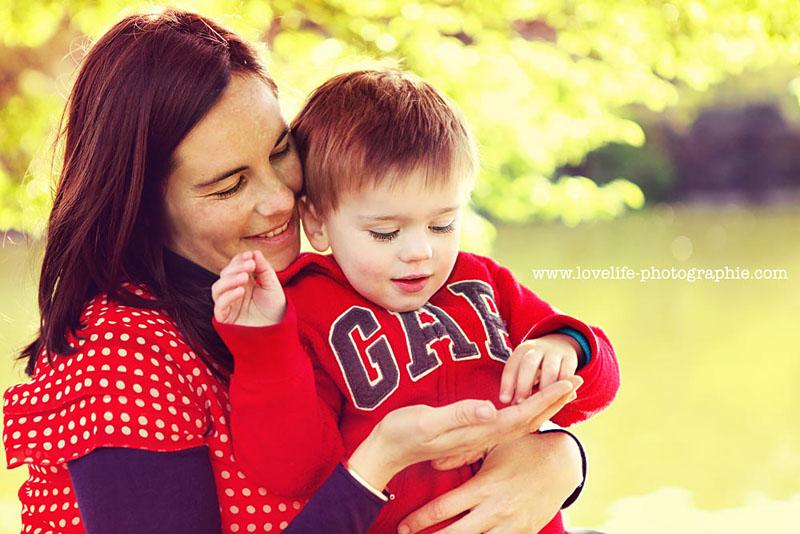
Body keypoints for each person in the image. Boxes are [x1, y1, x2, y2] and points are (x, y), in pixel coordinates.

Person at [2, 10, 589, 534]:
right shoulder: (123, 358)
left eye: (281, 151)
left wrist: (559, 458)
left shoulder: (315, 288)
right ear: (142, 204)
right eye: (229, 185)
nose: (280, 200)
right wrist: (376, 464)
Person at [211, 70, 619, 533]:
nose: (419, 251)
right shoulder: (304, 310)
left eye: (442, 224)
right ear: (318, 222)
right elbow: (290, 470)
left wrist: (566, 347)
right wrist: (264, 347)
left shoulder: (481, 282)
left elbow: (596, 389)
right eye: (385, 232)